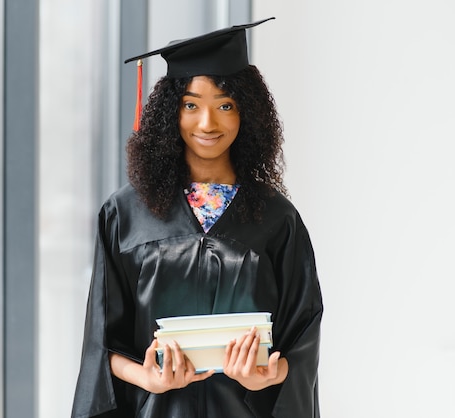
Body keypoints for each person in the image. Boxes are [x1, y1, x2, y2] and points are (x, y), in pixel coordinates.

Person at [71, 17, 323, 418]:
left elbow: (302, 339)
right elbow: (101, 344)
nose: (208, 123)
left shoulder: (278, 219)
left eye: (225, 105)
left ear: (248, 115)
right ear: (171, 113)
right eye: (191, 105)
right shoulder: (125, 214)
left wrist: (267, 377)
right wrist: (149, 377)